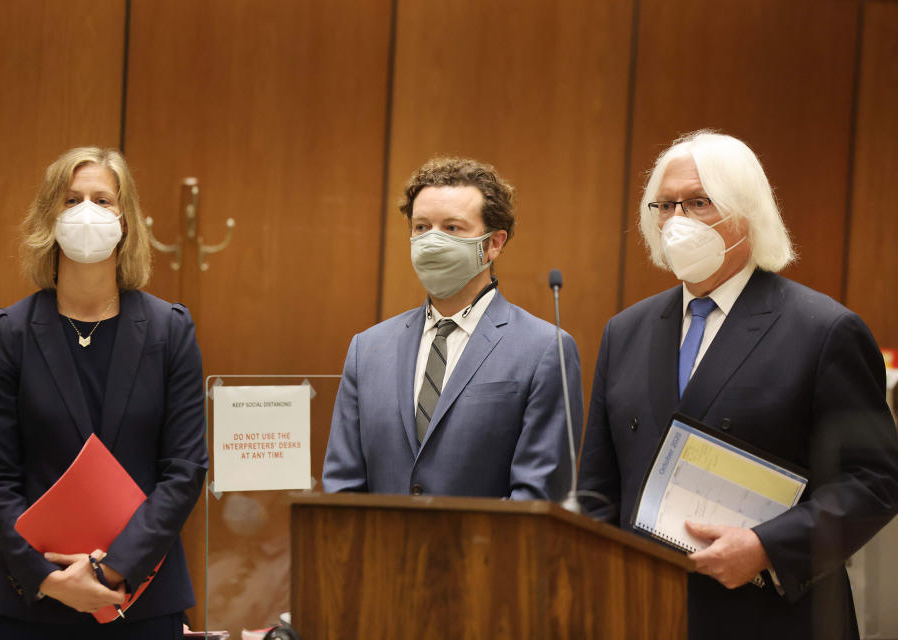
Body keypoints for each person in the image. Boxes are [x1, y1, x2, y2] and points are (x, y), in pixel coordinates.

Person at [578, 131, 898, 639]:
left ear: (745, 212)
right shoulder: (625, 331)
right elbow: (597, 487)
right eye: (664, 205)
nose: (676, 220)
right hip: (644, 611)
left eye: (699, 203)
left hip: (773, 617)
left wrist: (767, 548)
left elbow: (876, 481)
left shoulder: (823, 330)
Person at [0, 147, 209, 639]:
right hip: (31, 603)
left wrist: (110, 569)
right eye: (71, 199)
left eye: (103, 200)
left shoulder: (170, 331)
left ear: (126, 220)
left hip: (139, 601)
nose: (86, 211)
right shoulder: (8, 333)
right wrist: (53, 579)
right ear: (48, 217)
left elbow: (184, 471)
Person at [323, 156, 581, 500]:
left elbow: (537, 496)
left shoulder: (545, 349)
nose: (431, 241)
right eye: (421, 227)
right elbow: (343, 487)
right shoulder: (367, 348)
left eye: (452, 228)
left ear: (494, 243)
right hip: (378, 552)